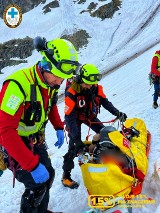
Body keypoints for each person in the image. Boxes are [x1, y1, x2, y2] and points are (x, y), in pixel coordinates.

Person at [0, 37, 81, 213]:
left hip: (34, 139)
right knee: (36, 184)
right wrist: (32, 165)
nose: (60, 83)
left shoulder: (49, 81)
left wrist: (59, 127)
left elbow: (49, 106)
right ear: (46, 65)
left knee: (49, 175)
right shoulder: (17, 86)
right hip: (13, 142)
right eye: (59, 77)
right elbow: (6, 131)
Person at [62, 63, 127, 189]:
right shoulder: (71, 92)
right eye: (86, 83)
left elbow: (105, 102)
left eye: (91, 84)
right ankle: (66, 176)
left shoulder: (96, 87)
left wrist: (117, 113)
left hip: (89, 116)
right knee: (73, 148)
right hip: (74, 119)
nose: (89, 86)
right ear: (80, 79)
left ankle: (104, 158)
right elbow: (69, 116)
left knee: (106, 134)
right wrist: (76, 139)